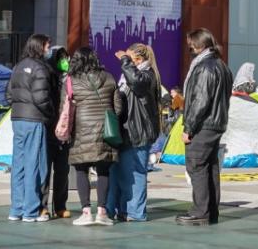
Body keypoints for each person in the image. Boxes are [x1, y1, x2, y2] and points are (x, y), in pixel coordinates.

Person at [175, 28, 233, 226]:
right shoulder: (221, 66)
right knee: (210, 168)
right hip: (216, 123)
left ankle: (200, 212)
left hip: (204, 124)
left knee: (197, 166)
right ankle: (210, 212)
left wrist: (188, 128)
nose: (189, 48)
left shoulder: (205, 67)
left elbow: (200, 100)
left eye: (191, 45)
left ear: (198, 45)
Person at [64, 47, 123, 227]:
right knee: (103, 170)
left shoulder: (71, 80)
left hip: (81, 130)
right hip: (105, 129)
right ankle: (102, 213)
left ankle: (86, 212)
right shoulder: (109, 77)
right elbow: (118, 108)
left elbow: (65, 109)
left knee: (81, 170)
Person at [107, 43, 162, 222]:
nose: (125, 63)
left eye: (130, 59)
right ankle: (121, 208)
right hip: (127, 130)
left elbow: (136, 82)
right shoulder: (131, 75)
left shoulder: (147, 76)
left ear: (138, 60)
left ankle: (135, 212)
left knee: (136, 173)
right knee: (122, 172)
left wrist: (125, 60)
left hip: (138, 131)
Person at [5, 33, 56, 223]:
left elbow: (9, 94)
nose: (48, 49)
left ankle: (15, 209)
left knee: (19, 164)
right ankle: (31, 210)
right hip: (35, 119)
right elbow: (41, 98)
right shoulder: (40, 68)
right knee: (35, 164)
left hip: (17, 119)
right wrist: (50, 113)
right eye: (47, 45)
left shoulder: (18, 67)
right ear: (40, 46)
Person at [42, 46, 71, 219]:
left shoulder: (70, 79)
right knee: (44, 171)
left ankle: (60, 206)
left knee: (62, 171)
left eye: (66, 58)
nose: (65, 61)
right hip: (48, 130)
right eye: (61, 58)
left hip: (64, 133)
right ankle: (42, 206)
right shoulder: (47, 77)